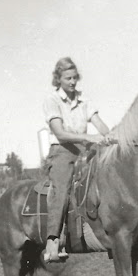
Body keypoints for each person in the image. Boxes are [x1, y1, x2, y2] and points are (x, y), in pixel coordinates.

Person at [42, 57, 111, 262]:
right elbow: (60, 134)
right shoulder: (52, 101)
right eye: (67, 78)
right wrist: (89, 137)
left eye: (74, 77)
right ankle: (53, 241)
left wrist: (109, 136)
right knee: (62, 188)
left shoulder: (84, 100)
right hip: (62, 151)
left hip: (84, 150)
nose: (72, 82)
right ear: (59, 79)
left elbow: (100, 125)